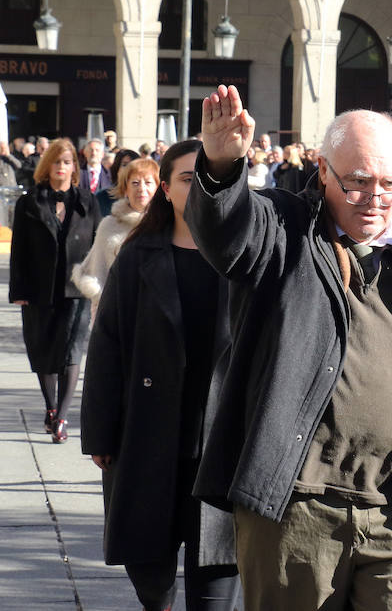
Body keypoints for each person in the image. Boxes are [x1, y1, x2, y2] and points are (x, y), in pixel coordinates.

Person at [185, 87, 392, 611]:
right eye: (358, 182)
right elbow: (227, 234)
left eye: (389, 183)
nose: (375, 198)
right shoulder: (284, 228)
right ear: (323, 171)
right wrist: (222, 167)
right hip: (296, 508)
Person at [80, 139, 241, 611]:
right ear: (165, 189)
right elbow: (106, 346)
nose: (200, 189)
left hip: (222, 443)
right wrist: (100, 434)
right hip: (148, 437)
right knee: (154, 583)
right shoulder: (137, 256)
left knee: (216, 584)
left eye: (210, 178)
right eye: (189, 179)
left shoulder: (244, 258)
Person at [8, 139, 101, 443]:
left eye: (68, 162)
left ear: (75, 167)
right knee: (42, 349)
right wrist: (18, 289)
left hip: (76, 289)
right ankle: (50, 408)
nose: (62, 167)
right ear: (47, 165)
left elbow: (98, 247)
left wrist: (98, 285)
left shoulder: (88, 201)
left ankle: (62, 416)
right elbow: (19, 249)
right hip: (38, 289)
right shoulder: (29, 202)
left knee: (72, 351)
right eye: (57, 162)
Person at [72, 158, 159, 316]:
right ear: (125, 188)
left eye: (148, 182)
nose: (142, 189)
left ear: (159, 188)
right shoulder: (109, 225)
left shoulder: (169, 225)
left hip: (158, 314)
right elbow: (97, 272)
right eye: (135, 183)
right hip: (117, 313)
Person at [95, 148, 140, 217]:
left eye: (133, 165)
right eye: (125, 165)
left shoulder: (144, 197)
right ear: (117, 169)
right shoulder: (102, 197)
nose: (129, 169)